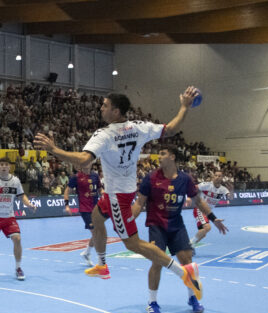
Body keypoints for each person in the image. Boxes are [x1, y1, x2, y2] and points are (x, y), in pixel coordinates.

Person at [34, 87, 205, 300]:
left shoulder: (104, 135)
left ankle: (184, 273)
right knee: (97, 218)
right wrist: (184, 107)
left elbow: (84, 160)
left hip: (117, 196)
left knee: (133, 243)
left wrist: (54, 150)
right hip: (117, 192)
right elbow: (170, 129)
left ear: (116, 111)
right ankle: (102, 264)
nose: (101, 108)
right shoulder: (139, 127)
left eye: (105, 105)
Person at [131, 144, 227, 313]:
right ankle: (152, 302)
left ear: (172, 157)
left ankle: (192, 298)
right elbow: (139, 203)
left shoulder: (185, 179)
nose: (159, 157)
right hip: (157, 225)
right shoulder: (150, 178)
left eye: (163, 154)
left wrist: (213, 219)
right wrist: (127, 222)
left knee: (187, 261)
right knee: (157, 262)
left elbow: (199, 201)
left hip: (176, 225)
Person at [64, 165, 101, 266]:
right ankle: (100, 260)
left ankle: (87, 253)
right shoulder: (76, 177)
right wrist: (67, 205)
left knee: (96, 233)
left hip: (96, 208)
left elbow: (100, 189)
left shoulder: (95, 175)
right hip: (85, 209)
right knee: (96, 233)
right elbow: (67, 190)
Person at [190, 171, 233, 248]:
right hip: (200, 209)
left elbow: (230, 198)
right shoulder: (206, 185)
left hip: (208, 213)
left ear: (222, 178)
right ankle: (188, 245)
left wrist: (231, 191)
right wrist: (189, 197)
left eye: (219, 176)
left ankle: (190, 247)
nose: (217, 177)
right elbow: (193, 188)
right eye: (215, 175)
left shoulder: (223, 190)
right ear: (213, 177)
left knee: (203, 234)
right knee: (207, 227)